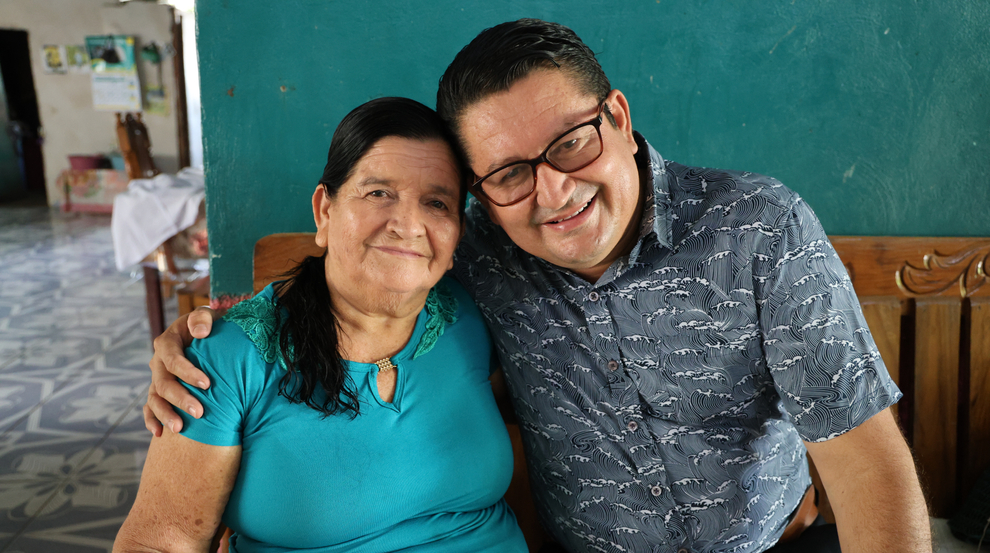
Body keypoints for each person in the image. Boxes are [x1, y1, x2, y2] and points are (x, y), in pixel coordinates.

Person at [144, 20, 932, 553]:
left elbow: (868, 463)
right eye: (511, 172)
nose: (553, 192)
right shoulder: (472, 253)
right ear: (483, 195)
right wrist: (205, 336)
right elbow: (370, 277)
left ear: (617, 117)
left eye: (571, 143)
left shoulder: (758, 230)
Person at [115, 97, 528, 553]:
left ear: (456, 236)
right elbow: (157, 542)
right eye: (378, 193)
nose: (409, 225)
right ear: (324, 211)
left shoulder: (471, 317)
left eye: (436, 202)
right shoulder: (229, 358)